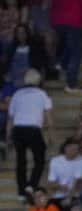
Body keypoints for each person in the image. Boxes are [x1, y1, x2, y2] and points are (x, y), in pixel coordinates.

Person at [6, 68, 52, 199]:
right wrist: (50, 134)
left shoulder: (17, 94)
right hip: (33, 129)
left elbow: (10, 118)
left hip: (18, 129)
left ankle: (21, 192)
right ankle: (31, 185)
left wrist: (8, 136)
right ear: (38, 81)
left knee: (21, 161)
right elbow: (49, 118)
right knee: (40, 160)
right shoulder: (42, 94)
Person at [51, 0, 82, 93]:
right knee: (76, 52)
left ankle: (62, 62)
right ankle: (71, 84)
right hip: (74, 20)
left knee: (71, 45)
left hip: (58, 21)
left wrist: (53, 22)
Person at [47, 137, 82, 206]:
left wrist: (69, 198)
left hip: (75, 196)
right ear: (65, 148)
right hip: (58, 196)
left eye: (76, 150)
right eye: (71, 149)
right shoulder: (55, 161)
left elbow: (77, 181)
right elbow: (51, 182)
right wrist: (60, 187)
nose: (74, 152)